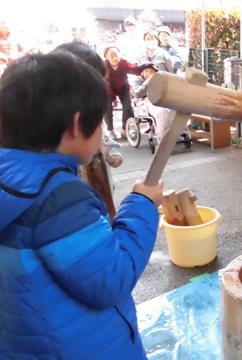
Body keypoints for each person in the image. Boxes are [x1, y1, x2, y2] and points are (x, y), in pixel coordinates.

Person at [0, 52, 163, 358]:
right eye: (100, 121)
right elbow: (110, 278)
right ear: (77, 124)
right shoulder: (58, 199)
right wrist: (142, 204)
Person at [104, 45, 141, 138]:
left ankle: (124, 129)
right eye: (112, 56)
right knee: (107, 106)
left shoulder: (124, 62)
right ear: (107, 57)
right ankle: (110, 130)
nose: (115, 58)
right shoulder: (104, 66)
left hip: (123, 87)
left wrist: (145, 66)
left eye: (116, 55)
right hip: (109, 88)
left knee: (128, 106)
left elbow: (136, 69)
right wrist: (113, 99)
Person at [132, 62, 172, 141]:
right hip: (145, 102)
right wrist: (149, 81)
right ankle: (163, 137)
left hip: (161, 100)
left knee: (174, 109)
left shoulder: (160, 80)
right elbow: (137, 94)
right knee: (161, 111)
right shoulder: (138, 80)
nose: (148, 74)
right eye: (146, 71)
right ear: (142, 72)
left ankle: (175, 133)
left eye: (151, 71)